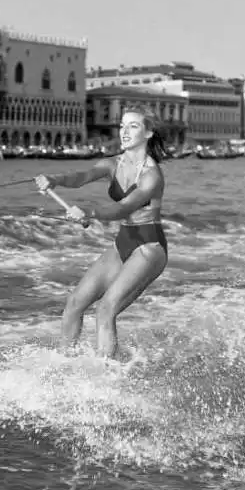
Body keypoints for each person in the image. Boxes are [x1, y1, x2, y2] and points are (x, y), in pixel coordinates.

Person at [34, 105, 168, 359]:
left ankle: (106, 378)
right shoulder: (112, 164)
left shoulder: (152, 175)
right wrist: (55, 179)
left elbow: (124, 207)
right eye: (122, 126)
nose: (124, 132)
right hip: (125, 241)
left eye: (133, 126)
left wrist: (90, 213)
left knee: (105, 310)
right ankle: (63, 368)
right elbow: (82, 175)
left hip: (149, 247)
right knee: (75, 303)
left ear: (149, 133)